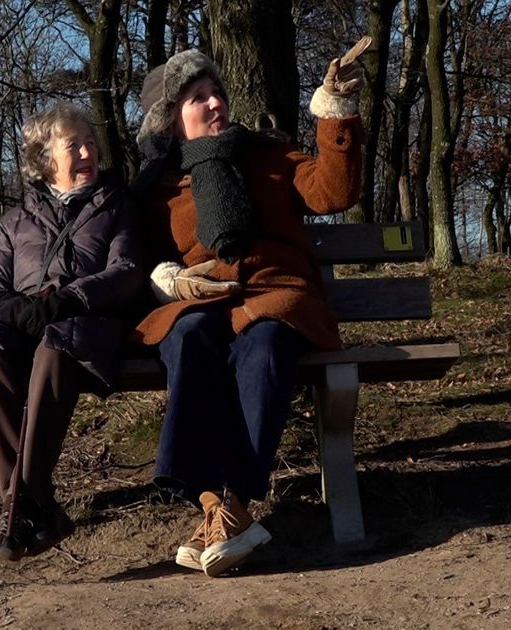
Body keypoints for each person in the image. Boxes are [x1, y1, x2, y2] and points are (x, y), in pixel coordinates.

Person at [130, 41, 367, 577]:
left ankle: (227, 506)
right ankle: (219, 508)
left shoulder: (268, 156)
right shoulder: (156, 189)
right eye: (197, 97)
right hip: (199, 305)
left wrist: (335, 109)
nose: (215, 104)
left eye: (217, 93)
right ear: (171, 120)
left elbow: (335, 191)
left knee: (263, 344)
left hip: (273, 295)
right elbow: (136, 256)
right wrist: (164, 278)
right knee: (189, 339)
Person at [0, 102, 143, 561]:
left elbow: (128, 271)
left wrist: (69, 298)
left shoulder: (118, 205)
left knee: (54, 349)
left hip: (82, 323)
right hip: (23, 325)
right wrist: (8, 306)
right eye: (73, 145)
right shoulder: (17, 220)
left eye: (90, 142)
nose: (87, 152)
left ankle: (19, 508)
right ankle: (37, 505)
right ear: (45, 160)